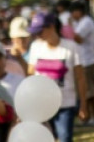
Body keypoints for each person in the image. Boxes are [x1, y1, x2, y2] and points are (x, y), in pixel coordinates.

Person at [27, 12, 87, 142]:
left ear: (52, 26)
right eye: (35, 32)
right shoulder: (35, 47)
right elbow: (30, 74)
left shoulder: (71, 47)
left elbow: (80, 78)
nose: (38, 35)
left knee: (65, 137)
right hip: (42, 104)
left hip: (65, 103)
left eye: (40, 31)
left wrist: (83, 104)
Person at [69, 0, 94, 126]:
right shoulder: (80, 22)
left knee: (90, 92)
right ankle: (88, 118)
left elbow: (78, 39)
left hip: (87, 61)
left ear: (79, 11)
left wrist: (69, 29)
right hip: (83, 61)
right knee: (86, 92)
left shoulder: (86, 22)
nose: (72, 15)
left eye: (73, 12)